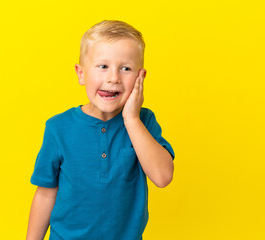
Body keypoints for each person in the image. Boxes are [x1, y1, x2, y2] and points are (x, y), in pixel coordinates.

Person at [26, 20, 175, 240]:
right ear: (81, 74)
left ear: (140, 78)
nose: (113, 78)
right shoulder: (59, 127)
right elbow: (46, 193)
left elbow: (163, 177)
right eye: (103, 66)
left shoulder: (144, 121)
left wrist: (131, 119)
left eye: (125, 69)